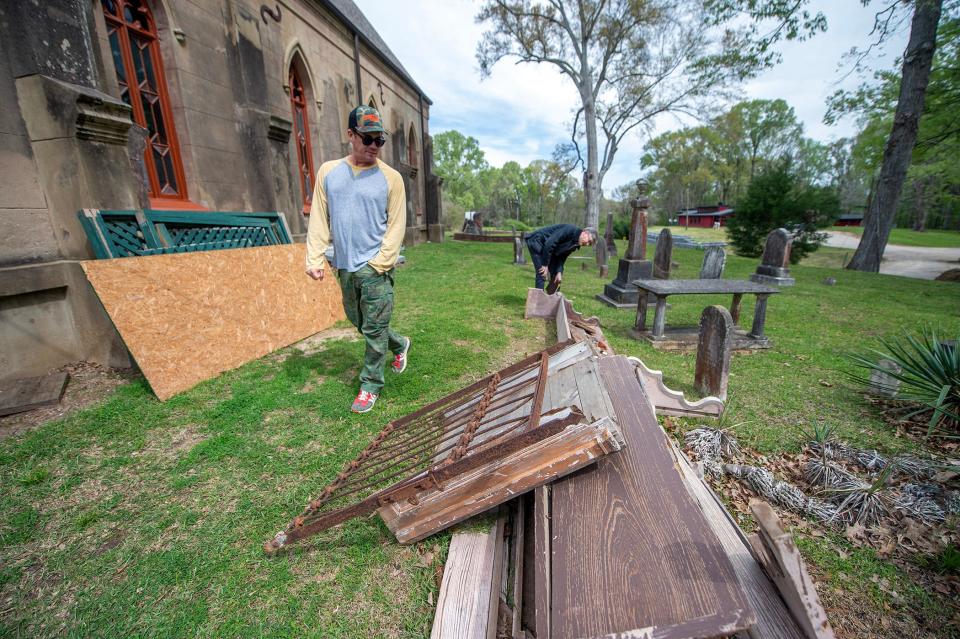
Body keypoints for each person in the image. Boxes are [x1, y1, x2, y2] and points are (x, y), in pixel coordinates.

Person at [304, 105, 410, 413]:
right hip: (345, 267)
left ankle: (370, 385)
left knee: (374, 330)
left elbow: (396, 226)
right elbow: (320, 219)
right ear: (350, 135)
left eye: (380, 140)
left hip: (376, 269)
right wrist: (314, 257)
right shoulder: (329, 172)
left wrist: (381, 263)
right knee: (360, 322)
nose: (375, 146)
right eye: (368, 139)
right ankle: (400, 344)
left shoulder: (391, 179)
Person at [524, 223, 597, 290]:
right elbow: (549, 243)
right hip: (537, 241)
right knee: (542, 273)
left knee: (556, 276)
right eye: (589, 241)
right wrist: (545, 264)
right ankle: (539, 302)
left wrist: (559, 272)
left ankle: (553, 298)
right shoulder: (570, 230)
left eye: (589, 244)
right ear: (585, 233)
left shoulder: (575, 244)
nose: (587, 244)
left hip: (548, 248)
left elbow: (561, 256)